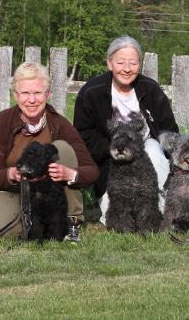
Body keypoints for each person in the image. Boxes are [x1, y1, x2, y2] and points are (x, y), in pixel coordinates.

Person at [0, 61, 98, 242]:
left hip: (51, 193)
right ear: (16, 95)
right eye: (25, 93)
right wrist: (10, 174)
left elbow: (91, 170)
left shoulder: (59, 123)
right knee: (3, 234)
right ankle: (22, 221)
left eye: (37, 93)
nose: (32, 100)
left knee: (63, 149)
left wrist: (70, 174)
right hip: (14, 191)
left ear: (47, 95)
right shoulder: (1, 122)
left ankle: (72, 223)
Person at [73, 35, 178, 221]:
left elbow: (169, 131)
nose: (127, 69)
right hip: (110, 160)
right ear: (109, 63)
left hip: (146, 156)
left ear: (140, 64)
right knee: (111, 218)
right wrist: (113, 148)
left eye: (133, 63)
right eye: (121, 62)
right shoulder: (91, 92)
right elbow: (83, 134)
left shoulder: (151, 90)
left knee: (153, 148)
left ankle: (158, 211)